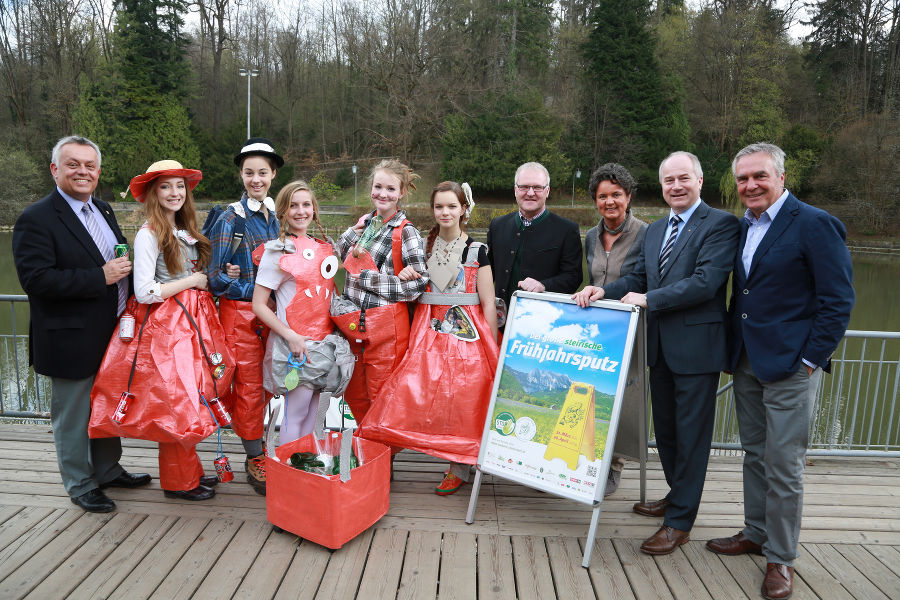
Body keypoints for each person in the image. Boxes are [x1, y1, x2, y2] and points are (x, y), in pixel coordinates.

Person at [706, 143, 854, 600]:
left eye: (760, 176)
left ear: (781, 177)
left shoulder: (814, 224)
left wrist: (811, 360)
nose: (750, 185)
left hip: (792, 366)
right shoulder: (743, 227)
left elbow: (838, 302)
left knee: (785, 464)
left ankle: (781, 558)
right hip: (747, 359)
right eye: (743, 178)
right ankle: (754, 531)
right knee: (754, 453)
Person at [573, 151, 740, 555]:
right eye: (669, 181)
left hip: (697, 350)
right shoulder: (658, 228)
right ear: (661, 187)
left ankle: (680, 521)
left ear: (700, 180)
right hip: (659, 348)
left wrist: (650, 299)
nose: (676, 186)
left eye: (684, 178)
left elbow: (705, 282)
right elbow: (639, 276)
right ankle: (677, 495)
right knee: (665, 433)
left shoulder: (721, 224)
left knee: (692, 437)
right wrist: (603, 290)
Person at [12, 136, 150, 513]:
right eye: (72, 164)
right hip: (70, 337)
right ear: (55, 169)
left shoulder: (102, 209)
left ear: (98, 172)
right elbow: (36, 281)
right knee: (73, 416)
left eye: (89, 165)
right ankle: (80, 483)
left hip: (112, 334)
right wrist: (99, 277)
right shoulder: (36, 218)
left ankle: (107, 469)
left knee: (106, 406)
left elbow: (120, 260)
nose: (82, 171)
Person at [91, 160, 234, 501]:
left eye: (179, 186)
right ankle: (178, 482)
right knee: (178, 401)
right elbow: (144, 291)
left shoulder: (182, 230)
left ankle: (191, 471)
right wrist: (193, 281)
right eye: (166, 187)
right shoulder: (148, 234)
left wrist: (209, 276)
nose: (174, 193)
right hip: (167, 329)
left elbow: (188, 274)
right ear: (154, 194)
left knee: (195, 395)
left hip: (191, 323)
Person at [359, 182, 499, 495]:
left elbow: (488, 301)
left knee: (465, 398)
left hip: (468, 333)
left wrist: (491, 345)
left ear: (464, 209)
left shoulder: (478, 250)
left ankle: (460, 465)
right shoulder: (422, 247)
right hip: (427, 330)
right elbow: (402, 284)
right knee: (416, 391)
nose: (445, 212)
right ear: (432, 210)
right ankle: (392, 454)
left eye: (452, 206)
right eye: (439, 207)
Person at [208, 137, 283, 495]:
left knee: (268, 384)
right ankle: (255, 456)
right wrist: (237, 283)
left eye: (263, 172)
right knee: (250, 387)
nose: (256, 179)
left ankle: (260, 446)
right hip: (240, 317)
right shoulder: (229, 219)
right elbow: (214, 278)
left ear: (273, 175)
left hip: (269, 315)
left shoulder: (274, 218)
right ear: (241, 174)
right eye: (249, 172)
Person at [332, 159, 429, 423]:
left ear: (401, 193)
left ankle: (385, 459)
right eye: (378, 187)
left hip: (386, 327)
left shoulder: (406, 232)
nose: (382, 194)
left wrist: (370, 280)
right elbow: (339, 258)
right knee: (355, 395)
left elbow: (419, 284)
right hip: (353, 324)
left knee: (383, 397)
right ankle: (367, 452)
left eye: (390, 189)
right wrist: (353, 231)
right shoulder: (366, 224)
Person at [576, 163, 648, 497]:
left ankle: (614, 466)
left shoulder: (647, 233)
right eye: (603, 196)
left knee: (623, 400)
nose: (609, 202)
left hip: (632, 331)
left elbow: (645, 280)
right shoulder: (591, 236)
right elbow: (590, 280)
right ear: (595, 200)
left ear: (628, 196)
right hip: (598, 332)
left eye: (616, 195)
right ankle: (587, 459)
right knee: (594, 395)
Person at [252, 180, 341, 443]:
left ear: (314, 209)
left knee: (315, 414)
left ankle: (305, 471)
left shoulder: (322, 247)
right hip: (296, 345)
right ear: (283, 211)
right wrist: (290, 336)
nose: (301, 211)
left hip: (322, 344)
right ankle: (288, 474)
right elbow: (259, 304)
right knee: (297, 412)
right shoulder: (277, 250)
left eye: (306, 204)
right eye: (293, 206)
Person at [487, 162, 582, 311]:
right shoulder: (497, 226)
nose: (530, 193)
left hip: (542, 321)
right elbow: (487, 272)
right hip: (499, 320)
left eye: (537, 187)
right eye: (524, 187)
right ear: (515, 190)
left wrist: (544, 285)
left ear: (547, 191)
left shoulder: (567, 230)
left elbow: (573, 277)